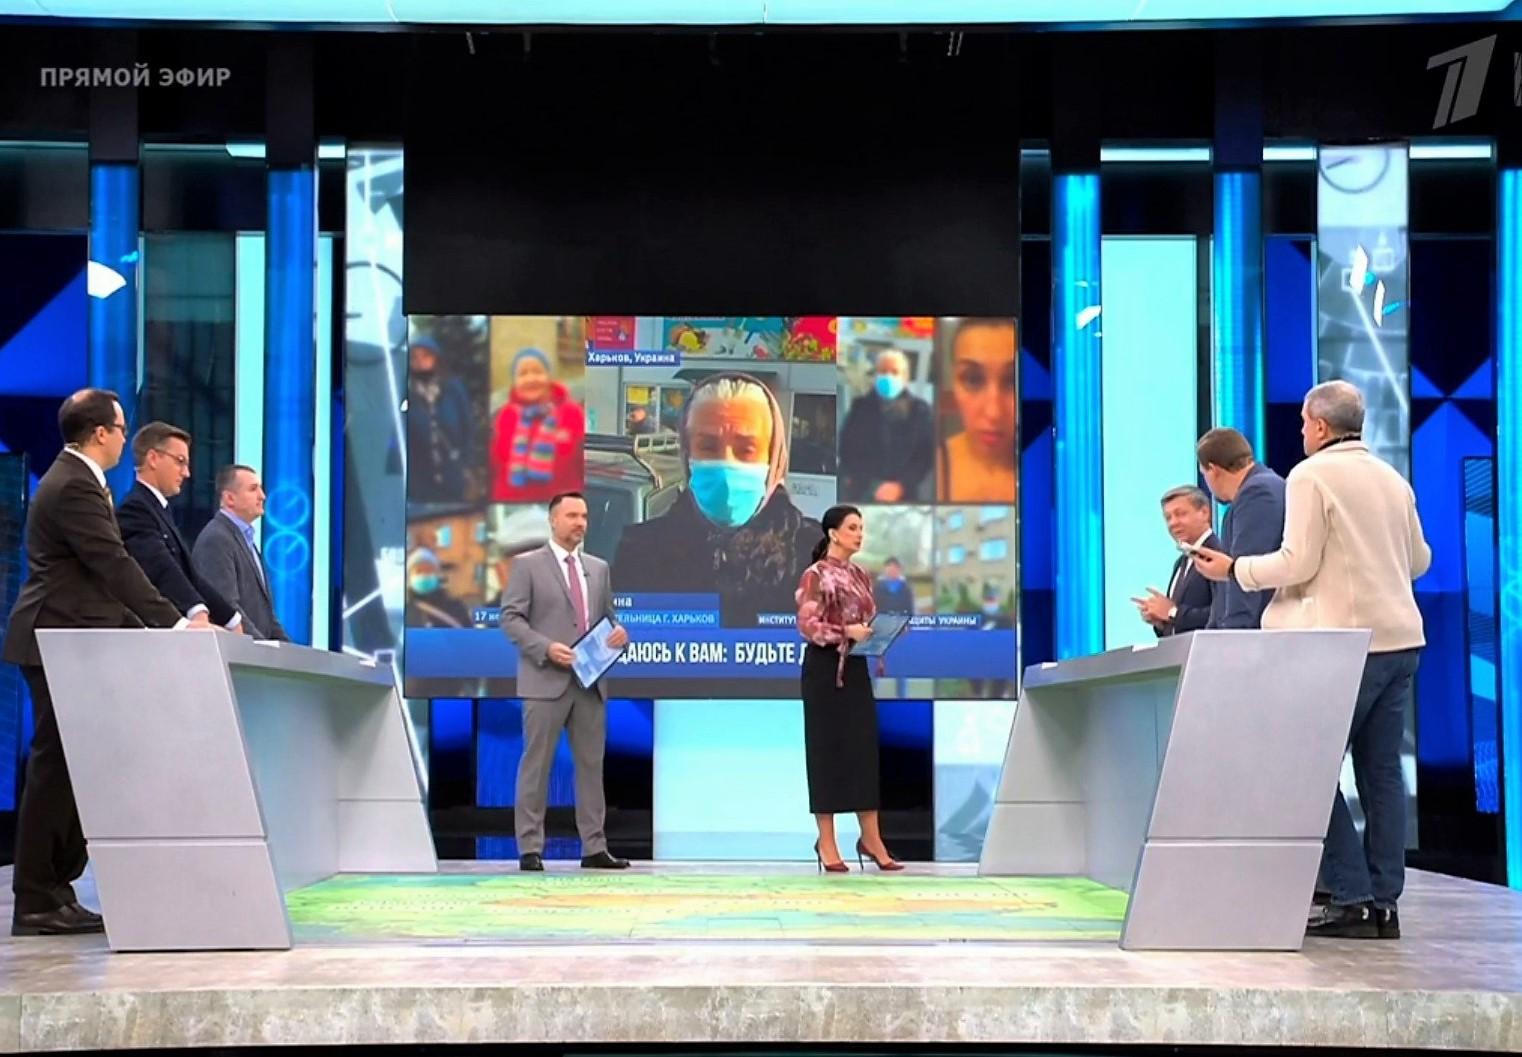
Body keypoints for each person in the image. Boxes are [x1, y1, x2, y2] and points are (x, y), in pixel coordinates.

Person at [1193, 381, 1430, 941]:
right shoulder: (1392, 479)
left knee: (1302, 769)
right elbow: (1419, 560)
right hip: (1401, 642)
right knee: (1381, 775)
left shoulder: (1311, 476)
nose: (1300, 431)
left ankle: (1351, 895)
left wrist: (1235, 570)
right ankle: (1384, 904)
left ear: (1320, 426)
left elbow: (1297, 562)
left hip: (1341, 647)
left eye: (1303, 422)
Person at [3, 389, 197, 936]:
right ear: (101, 433)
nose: (123, 437)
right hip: (57, 640)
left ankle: (54, 892)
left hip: (77, 638)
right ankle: (36, 898)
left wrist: (144, 628)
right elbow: (111, 562)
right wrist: (172, 623)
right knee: (55, 771)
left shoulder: (84, 482)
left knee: (71, 770)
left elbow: (96, 579)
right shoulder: (74, 484)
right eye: (121, 428)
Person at [613, 373, 818, 626]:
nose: (725, 467)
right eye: (708, 448)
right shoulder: (639, 552)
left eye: (746, 450)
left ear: (773, 458)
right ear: (687, 455)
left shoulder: (816, 554)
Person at [500, 491, 630, 872]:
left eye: (584, 516)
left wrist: (620, 634)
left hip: (590, 684)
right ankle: (529, 847)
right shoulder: (527, 566)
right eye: (572, 516)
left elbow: (607, 618)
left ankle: (594, 847)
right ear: (553, 520)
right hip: (545, 681)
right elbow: (510, 619)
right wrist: (545, 648)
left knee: (591, 767)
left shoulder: (599, 569)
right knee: (536, 765)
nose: (580, 523)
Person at [795, 505, 903, 874]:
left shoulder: (859, 575)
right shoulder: (815, 574)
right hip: (824, 671)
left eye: (861, 527)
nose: (859, 534)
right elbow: (807, 625)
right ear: (833, 533)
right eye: (853, 527)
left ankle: (871, 838)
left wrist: (879, 632)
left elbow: (865, 619)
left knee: (862, 752)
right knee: (826, 752)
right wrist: (845, 632)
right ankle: (826, 841)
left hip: (854, 667)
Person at [116, 422, 242, 631]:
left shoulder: (160, 509)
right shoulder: (135, 509)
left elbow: (189, 574)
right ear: (153, 458)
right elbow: (161, 568)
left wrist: (232, 619)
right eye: (180, 462)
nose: (187, 473)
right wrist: (196, 611)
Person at [1195, 427, 1286, 629]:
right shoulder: (1261, 487)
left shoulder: (1257, 493)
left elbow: (1246, 573)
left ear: (1213, 470)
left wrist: (1234, 635)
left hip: (1251, 635)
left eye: (1203, 474)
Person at [192, 465, 289, 641]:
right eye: (253, 489)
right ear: (230, 498)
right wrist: (261, 648)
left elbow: (267, 616)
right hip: (237, 652)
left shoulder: (246, 540)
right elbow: (226, 607)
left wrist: (289, 651)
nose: (262, 496)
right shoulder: (216, 539)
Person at [838, 349, 935, 503]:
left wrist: (901, 485)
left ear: (905, 377)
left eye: (894, 372)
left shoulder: (920, 411)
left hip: (904, 496)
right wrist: (861, 481)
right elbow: (847, 447)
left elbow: (925, 456)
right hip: (863, 492)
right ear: (876, 375)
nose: (888, 376)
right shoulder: (860, 407)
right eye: (883, 371)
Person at [490, 347, 586, 503]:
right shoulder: (505, 415)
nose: (531, 379)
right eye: (523, 374)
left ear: (549, 376)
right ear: (515, 382)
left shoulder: (572, 414)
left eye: (537, 371)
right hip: (511, 508)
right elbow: (493, 468)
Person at [937, 318, 1016, 503]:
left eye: (1014, 380)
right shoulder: (930, 467)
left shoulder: (1062, 468)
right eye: (973, 379)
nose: (993, 412)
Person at [1133, 485, 1220, 637]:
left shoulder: (1219, 555)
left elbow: (1224, 614)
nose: (1173, 523)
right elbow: (1176, 621)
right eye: (1168, 518)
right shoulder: (1181, 562)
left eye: (1180, 514)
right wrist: (1161, 621)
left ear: (1204, 512)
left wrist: (1172, 612)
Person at [408, 335, 477, 504]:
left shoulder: (453, 389)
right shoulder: (408, 395)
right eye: (414, 357)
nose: (420, 362)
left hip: (454, 478)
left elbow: (468, 427)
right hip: (420, 485)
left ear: (436, 359)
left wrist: (467, 463)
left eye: (425, 356)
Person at [405, 547, 474, 628]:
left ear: (437, 575)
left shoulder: (455, 608)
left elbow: (469, 634)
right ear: (410, 577)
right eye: (419, 571)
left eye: (428, 570)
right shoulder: (405, 608)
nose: (424, 575)